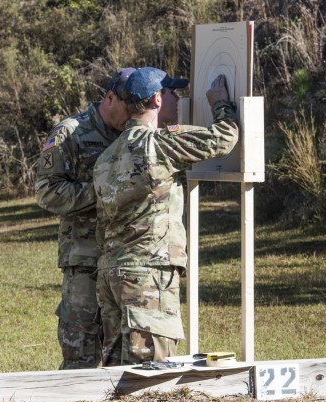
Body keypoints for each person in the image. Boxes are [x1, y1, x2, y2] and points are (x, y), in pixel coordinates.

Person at [93, 67, 239, 366]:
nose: (178, 98)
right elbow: (223, 138)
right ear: (157, 100)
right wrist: (220, 104)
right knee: (151, 373)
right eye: (173, 92)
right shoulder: (159, 143)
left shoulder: (106, 156)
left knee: (115, 370)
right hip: (148, 273)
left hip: (111, 272)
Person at [35, 67, 136, 369]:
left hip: (125, 259)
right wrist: (102, 191)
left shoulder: (134, 135)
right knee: (81, 350)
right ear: (110, 98)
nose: (133, 114)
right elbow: (47, 191)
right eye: (128, 106)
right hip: (85, 259)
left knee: (124, 350)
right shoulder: (70, 132)